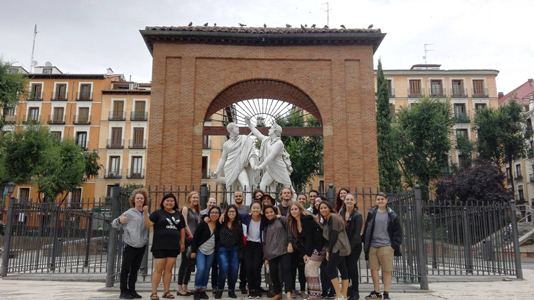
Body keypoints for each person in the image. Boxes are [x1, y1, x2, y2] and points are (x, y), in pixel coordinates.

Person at [144, 193, 186, 300]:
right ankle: (154, 292)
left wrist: (182, 243)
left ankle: (166, 292)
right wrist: (145, 213)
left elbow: (182, 229)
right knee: (159, 269)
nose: (169, 203)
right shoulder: (158, 213)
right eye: (167, 201)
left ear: (174, 203)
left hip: (173, 246)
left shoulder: (178, 214)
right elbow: (148, 225)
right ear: (163, 202)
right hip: (160, 245)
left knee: (169, 269)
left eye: (171, 201)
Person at [362, 193, 402, 300]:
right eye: (378, 199)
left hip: (386, 246)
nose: (380, 201)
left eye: (382, 199)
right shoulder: (371, 213)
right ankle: (377, 291)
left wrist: (393, 245)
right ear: (375, 201)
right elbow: (367, 228)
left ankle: (386, 292)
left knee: (386, 270)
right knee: (373, 269)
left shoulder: (392, 214)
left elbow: (397, 231)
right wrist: (365, 242)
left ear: (386, 200)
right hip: (373, 246)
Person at [111, 189, 150, 299]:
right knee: (125, 269)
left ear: (144, 200)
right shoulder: (128, 213)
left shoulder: (146, 213)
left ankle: (132, 290)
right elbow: (114, 224)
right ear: (133, 200)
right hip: (130, 245)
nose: (139, 200)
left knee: (135, 269)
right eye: (137, 198)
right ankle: (123, 291)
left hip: (141, 245)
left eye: (141, 198)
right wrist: (120, 221)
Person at [213, 122, 258, 205]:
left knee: (246, 186)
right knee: (230, 188)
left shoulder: (244, 139)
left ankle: (247, 207)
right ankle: (231, 207)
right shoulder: (226, 144)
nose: (238, 129)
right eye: (236, 127)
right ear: (231, 130)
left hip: (240, 166)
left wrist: (252, 163)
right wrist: (217, 171)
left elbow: (250, 153)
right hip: (229, 166)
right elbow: (223, 158)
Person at [245, 117, 294, 193]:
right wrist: (250, 124)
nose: (268, 130)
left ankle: (295, 202)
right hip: (270, 168)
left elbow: (270, 157)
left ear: (275, 131)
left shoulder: (279, 143)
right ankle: (269, 202)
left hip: (279, 168)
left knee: (289, 187)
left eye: (270, 128)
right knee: (262, 185)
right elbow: (258, 134)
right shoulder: (267, 140)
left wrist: (260, 167)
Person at [287, 203, 325, 300]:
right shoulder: (295, 223)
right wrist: (304, 254)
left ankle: (315, 295)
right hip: (310, 248)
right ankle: (312, 294)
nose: (294, 211)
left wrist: (308, 254)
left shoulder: (306, 219)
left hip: (319, 246)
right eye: (292, 210)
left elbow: (309, 238)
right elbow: (301, 241)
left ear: (300, 210)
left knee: (311, 268)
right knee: (308, 269)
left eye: (296, 209)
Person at [320, 201, 351, 300]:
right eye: (321, 208)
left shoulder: (333, 217)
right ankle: (344, 295)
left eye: (325, 207)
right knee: (343, 270)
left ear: (329, 208)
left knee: (329, 269)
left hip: (338, 247)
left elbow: (333, 235)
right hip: (337, 247)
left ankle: (339, 294)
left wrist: (328, 250)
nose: (323, 210)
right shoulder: (326, 220)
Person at [191, 206, 222, 300]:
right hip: (201, 250)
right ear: (209, 213)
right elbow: (195, 237)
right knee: (201, 269)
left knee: (207, 271)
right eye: (212, 212)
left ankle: (203, 290)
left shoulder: (219, 225)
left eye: (216, 213)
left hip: (211, 251)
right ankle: (197, 290)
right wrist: (193, 250)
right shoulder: (203, 224)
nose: (214, 214)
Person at [263, 205, 293, 300]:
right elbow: (265, 242)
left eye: (271, 212)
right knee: (273, 273)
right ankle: (278, 293)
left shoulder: (282, 220)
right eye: (267, 213)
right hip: (271, 253)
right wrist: (266, 257)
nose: (269, 214)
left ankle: (288, 293)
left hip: (284, 250)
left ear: (275, 212)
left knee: (286, 270)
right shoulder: (266, 225)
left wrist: (290, 243)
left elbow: (289, 232)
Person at [216, 205, 244, 299]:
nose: (231, 213)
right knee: (223, 268)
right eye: (229, 211)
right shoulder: (221, 221)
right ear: (226, 213)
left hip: (234, 249)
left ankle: (231, 290)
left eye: (233, 212)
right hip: (222, 249)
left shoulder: (239, 223)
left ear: (236, 213)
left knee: (234, 270)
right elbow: (209, 217)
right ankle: (220, 290)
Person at [240, 201, 266, 299]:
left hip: (259, 246)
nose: (256, 210)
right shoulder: (245, 217)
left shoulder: (264, 219)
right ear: (250, 209)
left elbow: (273, 216)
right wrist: (223, 214)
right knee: (249, 268)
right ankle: (251, 289)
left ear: (261, 209)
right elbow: (232, 212)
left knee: (256, 268)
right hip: (248, 245)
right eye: (254, 208)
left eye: (258, 208)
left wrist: (278, 216)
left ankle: (257, 288)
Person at [339, 193, 363, 300]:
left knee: (352, 267)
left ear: (354, 201)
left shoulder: (357, 215)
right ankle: (348, 288)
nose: (349, 201)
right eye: (347, 199)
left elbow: (357, 234)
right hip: (344, 246)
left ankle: (355, 292)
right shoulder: (341, 213)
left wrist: (350, 248)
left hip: (354, 246)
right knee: (346, 268)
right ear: (344, 201)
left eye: (351, 199)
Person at [178, 191, 201, 296]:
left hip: (195, 240)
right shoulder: (185, 209)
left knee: (189, 264)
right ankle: (179, 288)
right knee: (184, 263)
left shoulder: (197, 210)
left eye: (197, 198)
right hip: (188, 239)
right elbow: (184, 224)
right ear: (189, 199)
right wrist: (191, 235)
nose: (195, 199)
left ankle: (186, 287)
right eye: (194, 198)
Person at [234, 190, 249, 294]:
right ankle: (231, 285)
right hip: (234, 239)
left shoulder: (247, 209)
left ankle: (243, 285)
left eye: (240, 196)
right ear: (234, 197)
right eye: (236, 196)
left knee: (244, 265)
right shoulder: (231, 208)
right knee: (234, 265)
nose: (238, 197)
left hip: (245, 239)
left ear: (243, 197)